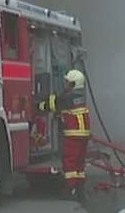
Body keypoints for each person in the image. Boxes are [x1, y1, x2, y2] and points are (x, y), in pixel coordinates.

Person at [36, 69, 90, 200]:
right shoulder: (80, 96)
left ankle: (70, 190)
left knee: (69, 162)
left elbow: (52, 105)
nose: (64, 84)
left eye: (67, 82)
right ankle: (80, 190)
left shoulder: (68, 97)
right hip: (83, 135)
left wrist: (37, 105)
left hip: (73, 135)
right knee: (79, 164)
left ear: (72, 84)